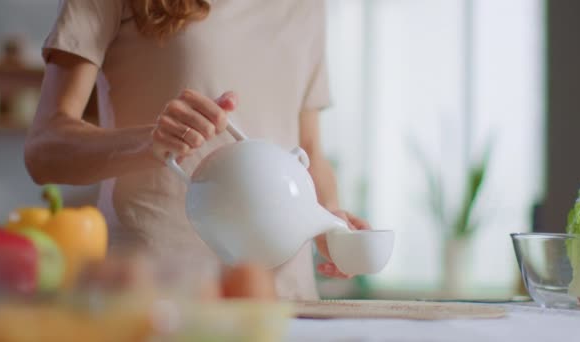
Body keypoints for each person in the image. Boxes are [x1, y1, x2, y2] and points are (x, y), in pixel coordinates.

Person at [25, 0, 368, 300]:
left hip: (286, 302)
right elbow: (43, 148)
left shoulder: (306, 4)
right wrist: (149, 142)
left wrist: (332, 220)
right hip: (157, 296)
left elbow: (308, 149)